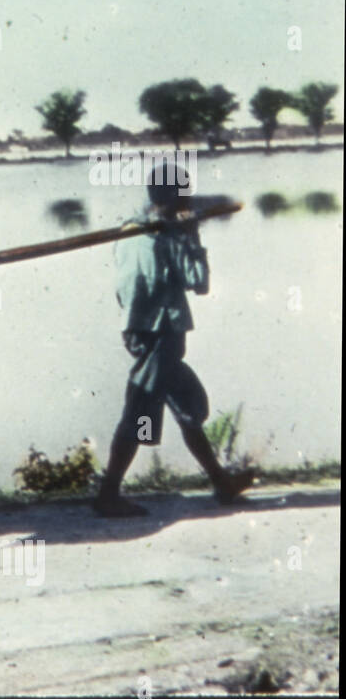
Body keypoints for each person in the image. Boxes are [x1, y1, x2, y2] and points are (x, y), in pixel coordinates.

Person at [93, 163, 255, 517]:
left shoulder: (127, 231)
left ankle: (220, 482)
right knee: (139, 412)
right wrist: (191, 237)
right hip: (161, 336)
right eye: (184, 196)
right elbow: (200, 284)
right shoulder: (168, 237)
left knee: (186, 409)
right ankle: (108, 494)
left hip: (138, 331)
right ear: (174, 198)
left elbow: (125, 290)